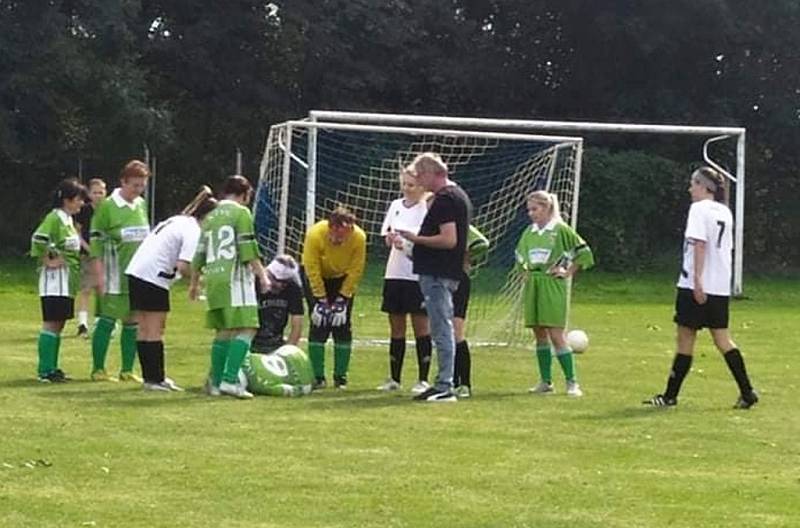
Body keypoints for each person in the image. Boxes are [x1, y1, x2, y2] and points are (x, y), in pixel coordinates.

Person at [644, 167, 758, 409]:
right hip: (720, 287)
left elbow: (700, 245)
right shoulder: (725, 211)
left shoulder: (698, 209)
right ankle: (747, 392)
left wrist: (697, 282)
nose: (690, 188)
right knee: (723, 339)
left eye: (693, 183)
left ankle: (669, 396)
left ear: (704, 186)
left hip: (696, 285)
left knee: (685, 340)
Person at [125, 186, 217, 392]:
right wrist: (203, 282)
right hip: (153, 277)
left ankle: (152, 378)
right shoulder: (193, 231)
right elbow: (184, 266)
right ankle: (155, 379)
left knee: (145, 328)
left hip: (137, 272)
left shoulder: (179, 220)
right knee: (155, 329)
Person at [397, 152, 472, 403]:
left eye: (420, 175)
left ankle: (444, 385)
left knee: (441, 328)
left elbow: (448, 239)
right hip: (441, 272)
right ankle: (443, 383)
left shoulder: (446, 199)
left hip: (439, 273)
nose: (418, 181)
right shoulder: (454, 195)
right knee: (441, 326)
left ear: (431, 173)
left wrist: (415, 239)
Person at [189, 175, 269, 399]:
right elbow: (247, 246)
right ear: (245, 195)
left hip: (213, 278)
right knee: (248, 327)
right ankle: (230, 379)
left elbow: (199, 253)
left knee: (223, 331)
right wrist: (263, 276)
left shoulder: (211, 215)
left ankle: (215, 383)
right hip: (235, 278)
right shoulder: (241, 212)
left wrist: (194, 283)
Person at [515, 190, 594, 397]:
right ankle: (545, 381)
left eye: (535, 209)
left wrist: (567, 271)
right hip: (534, 283)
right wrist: (524, 270)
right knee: (539, 333)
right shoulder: (530, 232)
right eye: (529, 210)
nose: (531, 213)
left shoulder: (560, 230)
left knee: (556, 333)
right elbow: (520, 255)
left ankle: (572, 382)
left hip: (552, 284)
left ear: (547, 207)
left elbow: (583, 251)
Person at [89, 160, 151, 382]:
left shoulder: (141, 205)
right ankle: (98, 369)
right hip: (113, 275)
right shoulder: (107, 207)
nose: (138, 190)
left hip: (136, 275)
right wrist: (99, 277)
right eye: (135, 185)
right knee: (107, 320)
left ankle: (127, 369)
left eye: (142, 186)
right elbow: (95, 244)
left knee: (132, 320)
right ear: (123, 181)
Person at [376, 165, 433, 395]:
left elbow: (429, 239)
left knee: (421, 326)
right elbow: (386, 233)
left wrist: (409, 243)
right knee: (396, 326)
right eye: (405, 184)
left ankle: (423, 379)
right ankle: (394, 378)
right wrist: (391, 239)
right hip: (395, 273)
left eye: (412, 185)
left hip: (416, 274)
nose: (407, 189)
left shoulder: (428, 207)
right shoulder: (395, 206)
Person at [301, 206, 367, 390]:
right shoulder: (315, 234)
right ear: (330, 227)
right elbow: (311, 268)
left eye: (343, 237)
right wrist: (320, 299)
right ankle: (317, 377)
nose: (339, 240)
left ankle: (341, 377)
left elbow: (356, 269)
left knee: (342, 326)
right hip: (318, 277)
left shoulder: (359, 238)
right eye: (336, 236)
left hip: (342, 278)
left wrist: (343, 299)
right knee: (319, 323)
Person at [30, 178, 87, 382]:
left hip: (67, 282)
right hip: (55, 281)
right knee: (51, 323)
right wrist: (47, 260)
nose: (82, 203)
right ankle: (44, 370)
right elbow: (38, 238)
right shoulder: (54, 217)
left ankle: (53, 368)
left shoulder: (68, 220)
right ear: (67, 200)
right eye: (79, 199)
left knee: (59, 323)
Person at [451, 225, 490, 399]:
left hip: (457, 279)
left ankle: (465, 383)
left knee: (456, 330)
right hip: (438, 278)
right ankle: (450, 381)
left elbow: (481, 243)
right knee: (443, 333)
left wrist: (465, 256)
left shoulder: (460, 224)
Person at [73, 178, 107, 338]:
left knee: (102, 288)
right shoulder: (84, 211)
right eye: (95, 192)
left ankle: (103, 322)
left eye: (101, 192)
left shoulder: (108, 210)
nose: (98, 195)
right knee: (86, 289)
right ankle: (82, 323)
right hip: (87, 254)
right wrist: (89, 248)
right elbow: (77, 232)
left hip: (105, 255)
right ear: (89, 194)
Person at [251, 254, 304, 355]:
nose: (281, 285)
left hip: (276, 345)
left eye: (286, 282)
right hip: (249, 343)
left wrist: (284, 353)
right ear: (269, 273)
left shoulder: (293, 288)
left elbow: (297, 326)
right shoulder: (252, 284)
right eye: (279, 281)